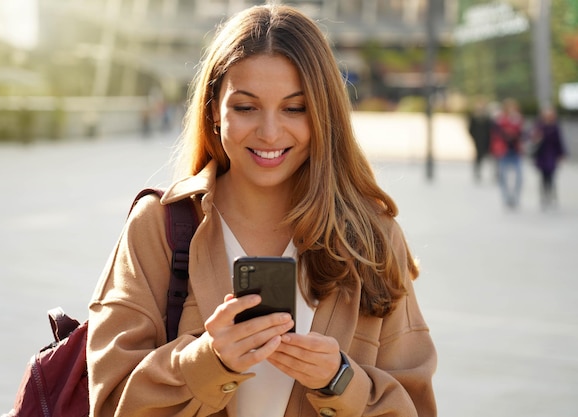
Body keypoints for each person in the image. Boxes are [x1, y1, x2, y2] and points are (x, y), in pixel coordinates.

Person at [87, 4, 437, 417]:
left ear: (324, 114)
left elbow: (415, 405)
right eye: (246, 107)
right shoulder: (159, 225)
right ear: (214, 112)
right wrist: (208, 361)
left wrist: (341, 381)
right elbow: (110, 401)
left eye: (294, 108)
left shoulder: (372, 237)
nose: (269, 132)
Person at [490, 98, 524, 209]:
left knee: (519, 177)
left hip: (515, 152)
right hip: (504, 152)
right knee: (503, 177)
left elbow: (522, 134)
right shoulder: (500, 120)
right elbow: (496, 134)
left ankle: (515, 198)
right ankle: (506, 198)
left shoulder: (518, 120)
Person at [531, 107, 567, 209]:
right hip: (541, 155)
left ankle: (551, 195)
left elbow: (559, 141)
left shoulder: (555, 127)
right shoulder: (539, 126)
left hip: (551, 155)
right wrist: (536, 137)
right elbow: (530, 137)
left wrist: (561, 154)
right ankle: (544, 196)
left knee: (551, 176)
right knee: (543, 177)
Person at [467, 98, 493, 183]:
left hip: (487, 141)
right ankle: (477, 173)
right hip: (478, 140)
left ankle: (493, 175)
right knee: (478, 158)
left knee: (490, 158)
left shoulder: (487, 117)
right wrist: (474, 138)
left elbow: (491, 129)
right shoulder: (474, 117)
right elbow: (470, 129)